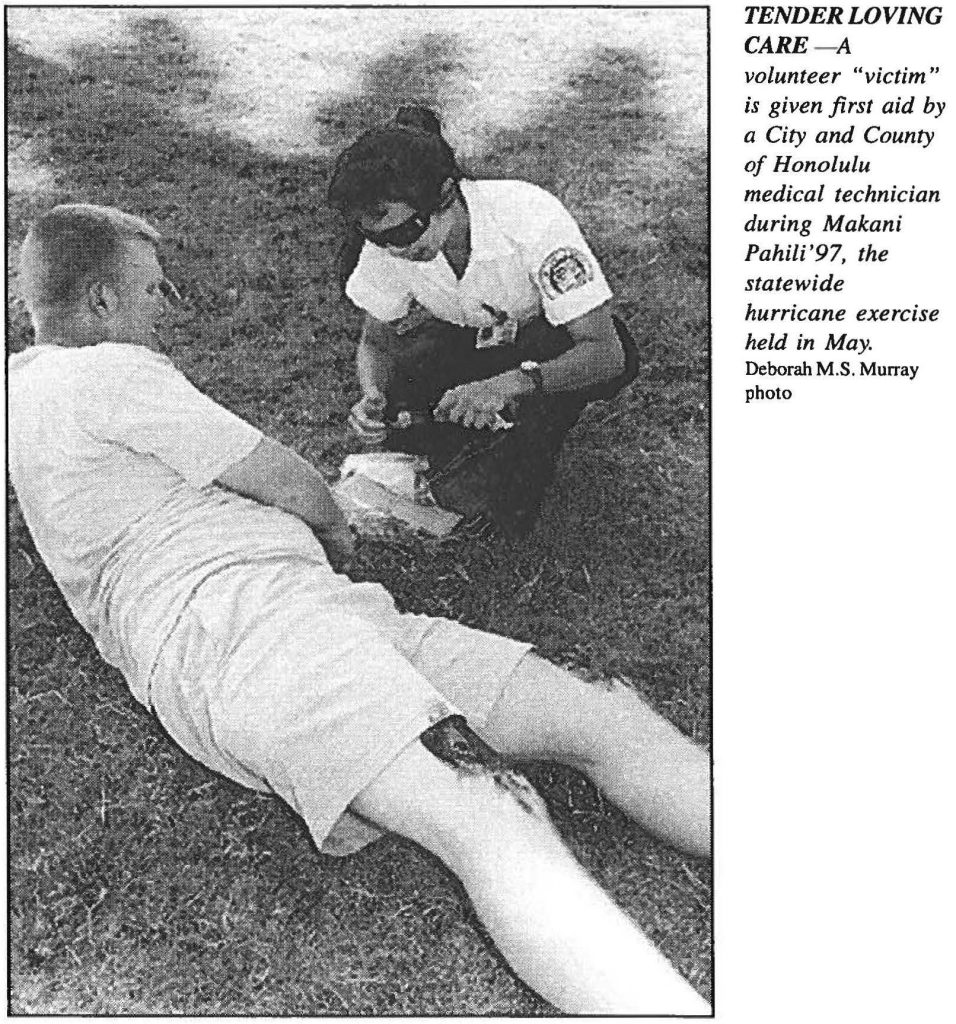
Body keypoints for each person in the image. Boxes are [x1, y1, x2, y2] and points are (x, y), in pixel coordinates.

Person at [9, 204, 709, 1015]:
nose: (165, 309)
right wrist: (336, 527)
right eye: (153, 290)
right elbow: (282, 477)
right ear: (100, 303)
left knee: (597, 707)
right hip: (249, 632)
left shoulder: (25, 394)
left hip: (315, 618)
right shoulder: (102, 371)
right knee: (490, 811)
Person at [328, 106, 639, 535]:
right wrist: (372, 396)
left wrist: (508, 384)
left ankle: (530, 425)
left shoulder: (529, 217)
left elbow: (608, 353)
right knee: (403, 420)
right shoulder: (388, 247)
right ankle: (469, 437)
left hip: (549, 341)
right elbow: (377, 343)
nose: (395, 250)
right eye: (377, 239)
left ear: (445, 193)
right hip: (473, 336)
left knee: (503, 505)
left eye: (403, 233)